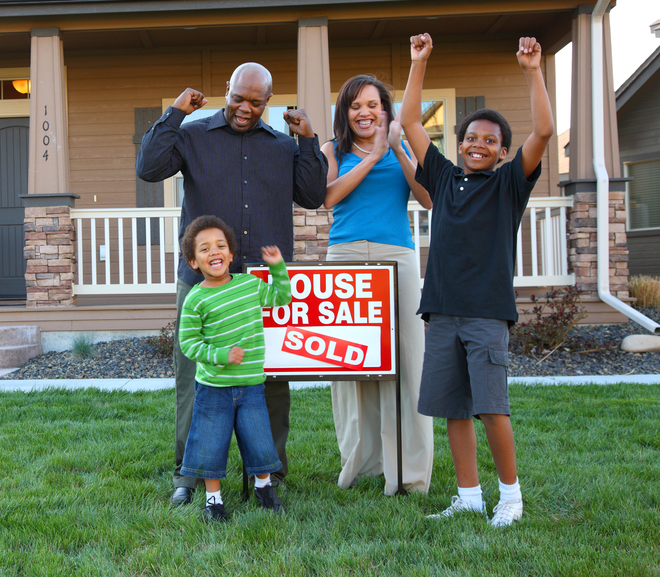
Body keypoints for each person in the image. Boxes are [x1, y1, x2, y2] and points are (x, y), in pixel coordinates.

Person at [136, 62, 328, 506]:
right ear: (227, 89)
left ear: (269, 100)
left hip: (263, 282)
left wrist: (307, 138)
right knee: (196, 380)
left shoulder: (283, 146)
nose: (245, 108)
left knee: (271, 378)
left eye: (256, 102)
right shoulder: (192, 135)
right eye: (238, 97)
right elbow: (148, 168)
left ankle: (269, 470)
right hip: (204, 281)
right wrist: (175, 113)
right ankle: (190, 473)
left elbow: (313, 195)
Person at [400, 33, 554, 527]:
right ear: (458, 144)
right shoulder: (443, 177)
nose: (478, 144)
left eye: (490, 140)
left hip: (487, 313)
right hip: (442, 311)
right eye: (471, 138)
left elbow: (545, 131)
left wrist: (532, 71)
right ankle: (469, 495)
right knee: (454, 410)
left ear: (504, 151)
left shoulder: (509, 184)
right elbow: (407, 122)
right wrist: (418, 63)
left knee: (491, 408)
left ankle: (511, 497)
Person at [321, 74, 434, 496]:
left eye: (373, 105)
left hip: (397, 257)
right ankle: (361, 465)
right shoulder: (333, 149)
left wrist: (397, 148)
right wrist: (372, 157)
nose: (364, 112)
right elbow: (329, 197)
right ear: (345, 114)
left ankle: (408, 474)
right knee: (349, 366)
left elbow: (426, 197)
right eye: (355, 106)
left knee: (408, 364)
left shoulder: (402, 146)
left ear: (385, 111)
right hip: (345, 259)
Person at [178, 215, 292, 521]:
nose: (214, 252)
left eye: (220, 246)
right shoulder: (195, 299)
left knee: (259, 438)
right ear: (193, 262)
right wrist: (220, 355)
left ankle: (264, 487)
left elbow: (282, 298)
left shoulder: (250, 285)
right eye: (204, 249)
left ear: (231, 254)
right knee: (210, 442)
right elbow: (189, 344)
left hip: (252, 385)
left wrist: (277, 267)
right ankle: (213, 500)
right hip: (213, 389)